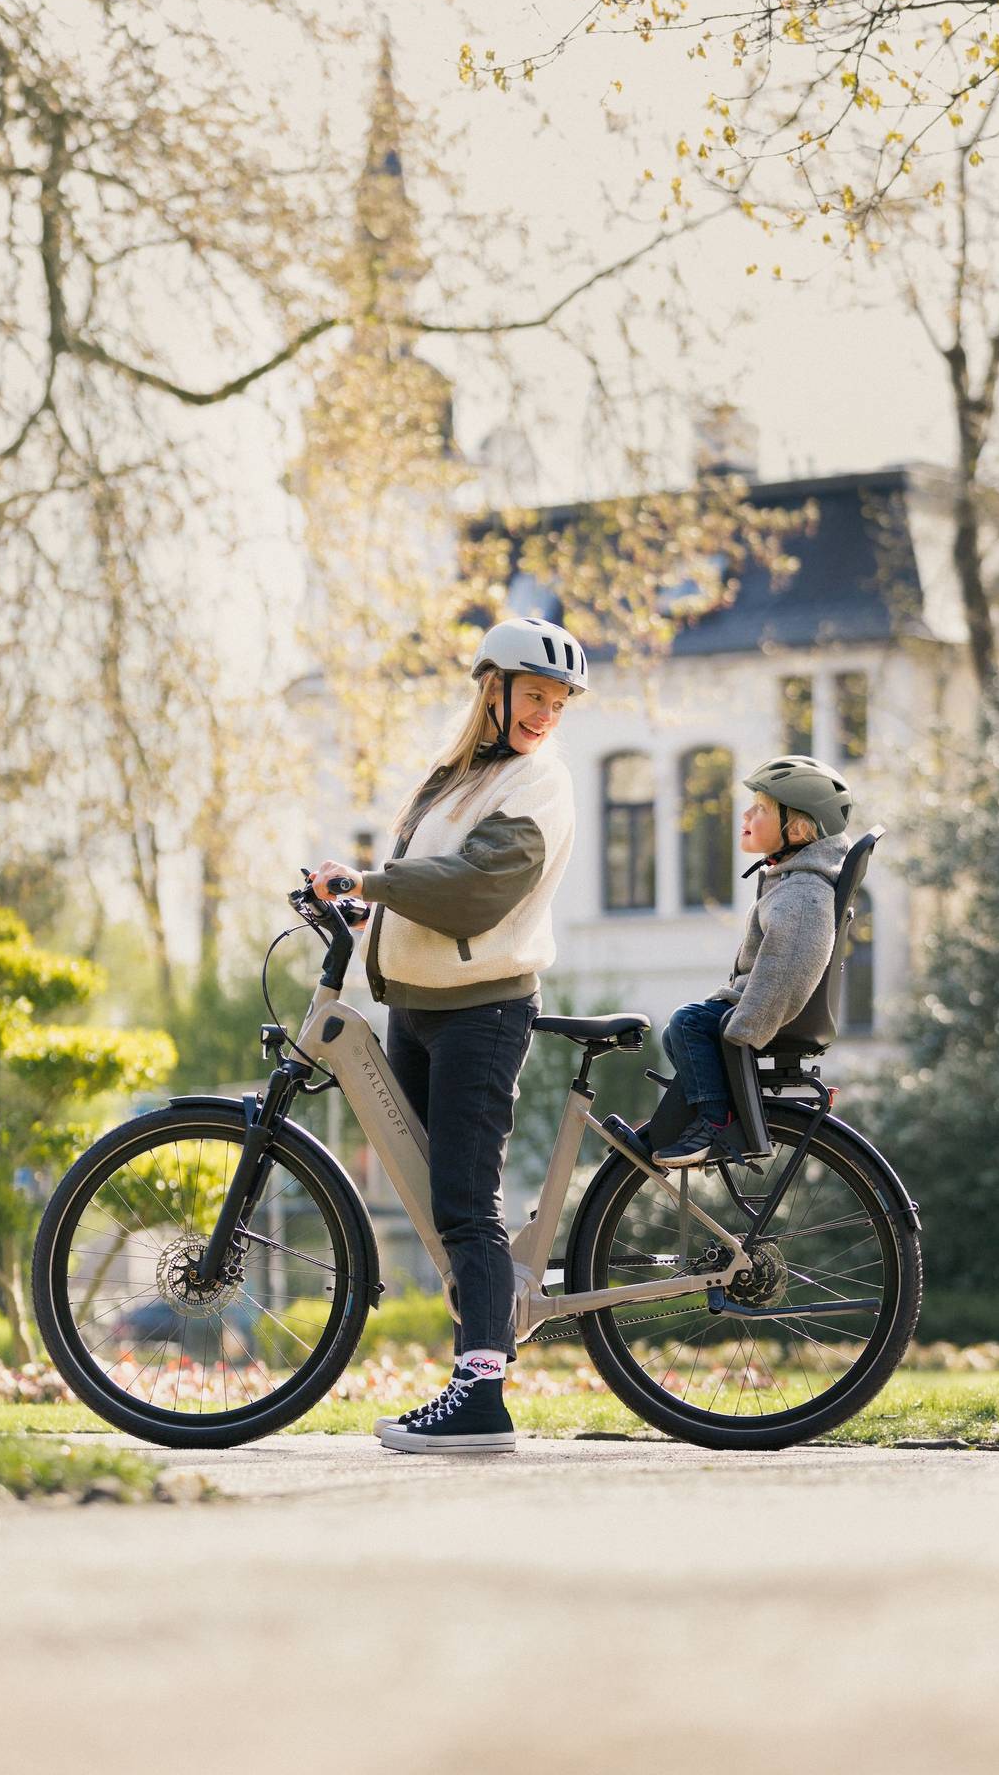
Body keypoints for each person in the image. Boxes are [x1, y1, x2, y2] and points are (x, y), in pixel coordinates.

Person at [309, 616, 585, 1454]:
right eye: (533, 696)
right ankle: (473, 1367)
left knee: (467, 1204)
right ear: (491, 691)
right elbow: (419, 882)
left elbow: (475, 889)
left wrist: (373, 879)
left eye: (557, 702)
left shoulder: (538, 783)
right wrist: (362, 900)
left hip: (483, 1010)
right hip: (419, 1006)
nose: (545, 714)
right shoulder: (454, 778)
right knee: (437, 1204)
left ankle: (483, 1400)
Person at [654, 754, 853, 1170]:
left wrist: (745, 1027)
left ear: (796, 827)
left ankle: (716, 1122)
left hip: (762, 1013)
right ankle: (707, 1114)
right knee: (680, 1030)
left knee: (688, 1024)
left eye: (761, 808)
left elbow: (787, 971)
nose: (746, 814)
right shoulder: (790, 880)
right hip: (751, 1005)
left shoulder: (802, 893)